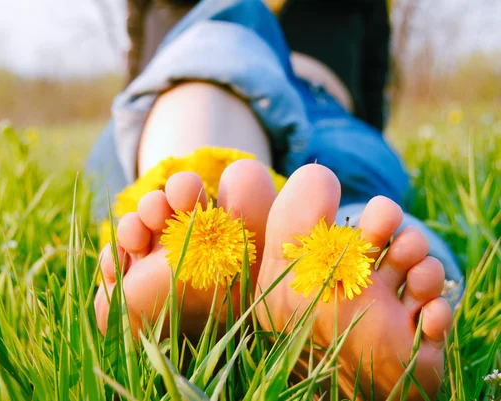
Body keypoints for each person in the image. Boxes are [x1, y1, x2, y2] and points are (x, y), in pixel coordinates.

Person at [87, 0, 463, 397]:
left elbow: (371, 80)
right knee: (363, 218)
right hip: (195, 90)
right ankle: (334, 279)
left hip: (317, 112)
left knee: (359, 213)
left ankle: (206, 232)